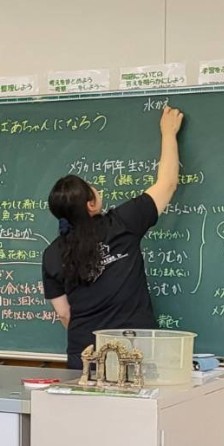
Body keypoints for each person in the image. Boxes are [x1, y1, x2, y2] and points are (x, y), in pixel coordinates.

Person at [43, 105, 185, 369]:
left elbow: (64, 313)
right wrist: (168, 133)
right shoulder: (122, 222)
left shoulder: (52, 253)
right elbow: (167, 184)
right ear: (91, 204)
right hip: (134, 351)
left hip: (85, 355)